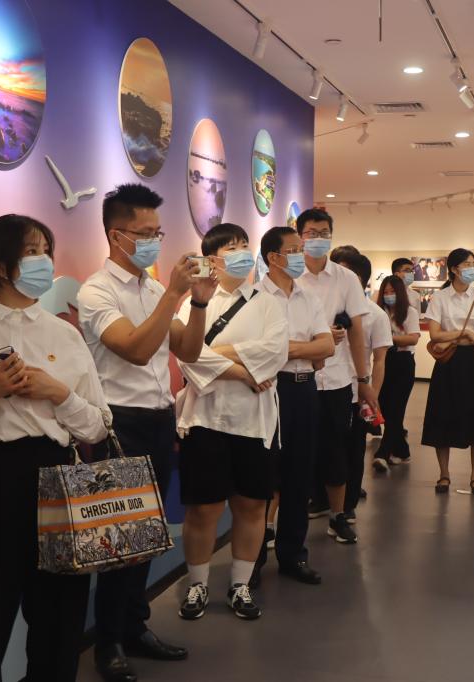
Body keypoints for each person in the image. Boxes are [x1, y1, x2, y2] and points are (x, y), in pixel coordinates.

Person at [0, 214, 108, 681]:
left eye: (45, 251)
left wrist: (59, 394)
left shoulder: (66, 334)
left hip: (58, 477)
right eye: (32, 252)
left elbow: (97, 427)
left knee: (60, 616)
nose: (44, 262)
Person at [77, 184, 212, 682]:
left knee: (148, 535)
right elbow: (134, 349)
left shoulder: (153, 290)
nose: (156, 241)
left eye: (159, 232)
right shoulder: (96, 291)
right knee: (121, 541)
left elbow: (188, 351)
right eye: (145, 233)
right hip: (118, 424)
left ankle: (134, 627)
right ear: (117, 235)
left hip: (157, 419)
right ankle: (108, 642)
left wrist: (198, 304)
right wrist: (174, 294)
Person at [173, 223, 288, 621]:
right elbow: (187, 357)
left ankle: (240, 584)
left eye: (244, 245)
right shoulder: (193, 303)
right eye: (231, 247)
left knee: (252, 505)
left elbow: (275, 353)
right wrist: (242, 370)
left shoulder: (268, 303)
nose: (241, 252)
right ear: (212, 259)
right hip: (204, 418)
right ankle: (197, 584)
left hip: (255, 422)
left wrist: (218, 352)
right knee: (203, 509)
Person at [253, 226, 334, 586]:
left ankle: (292, 555)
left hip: (304, 390)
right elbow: (255, 352)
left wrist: (284, 348)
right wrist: (303, 348)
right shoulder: (254, 297)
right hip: (267, 391)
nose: (302, 255)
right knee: (263, 477)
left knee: (300, 475)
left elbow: (327, 346)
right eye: (295, 250)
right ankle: (251, 560)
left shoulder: (308, 297)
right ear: (273, 257)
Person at [296, 209, 378, 544]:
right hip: (297, 376)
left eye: (324, 233)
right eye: (311, 233)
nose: (318, 239)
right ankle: (284, 522)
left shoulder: (346, 279)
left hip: (337, 379)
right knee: (294, 452)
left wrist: (363, 379)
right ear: (300, 236)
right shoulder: (288, 276)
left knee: (336, 451)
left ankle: (338, 515)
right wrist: (319, 338)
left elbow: (357, 332)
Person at [421, 248, 474, 496]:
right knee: (442, 416)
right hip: (449, 362)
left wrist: (455, 335)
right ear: (454, 269)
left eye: (473, 264)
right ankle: (444, 474)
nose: (471, 268)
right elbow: (434, 335)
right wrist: (463, 332)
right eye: (466, 264)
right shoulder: (440, 298)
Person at [329, 248, 390, 522]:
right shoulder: (322, 307)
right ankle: (322, 499)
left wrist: (372, 394)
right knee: (327, 447)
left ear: (360, 279)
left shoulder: (375, 315)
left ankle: (348, 504)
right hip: (325, 389)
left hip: (356, 391)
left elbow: (380, 359)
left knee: (353, 450)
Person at [372, 274, 421, 472]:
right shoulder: (379, 312)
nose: (389, 295)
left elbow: (413, 338)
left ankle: (382, 453)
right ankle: (402, 450)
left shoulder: (409, 312)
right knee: (384, 406)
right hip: (384, 361)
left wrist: (388, 338)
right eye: (385, 292)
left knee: (396, 409)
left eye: (392, 291)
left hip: (403, 362)